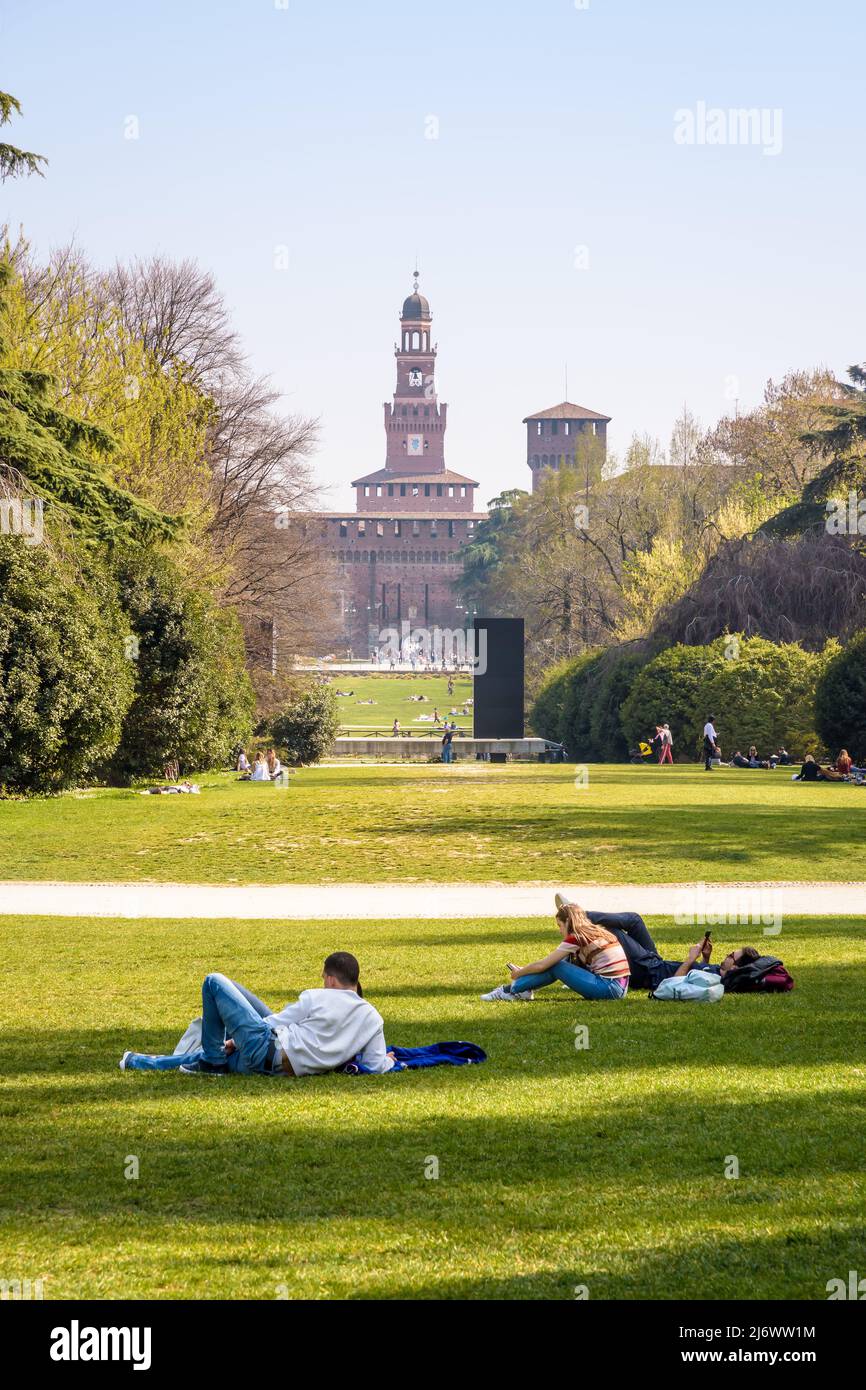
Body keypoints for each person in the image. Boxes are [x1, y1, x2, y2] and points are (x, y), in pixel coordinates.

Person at [120, 953, 396, 1077]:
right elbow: (375, 1065)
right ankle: (144, 1062)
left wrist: (236, 1040)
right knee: (235, 995)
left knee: (214, 981)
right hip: (281, 1062)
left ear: (332, 980)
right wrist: (388, 1060)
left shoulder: (317, 996)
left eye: (324, 977)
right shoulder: (372, 1018)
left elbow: (277, 1021)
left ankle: (212, 1060)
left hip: (268, 1048)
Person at [553, 897, 761, 993]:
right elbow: (701, 972)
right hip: (655, 963)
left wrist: (690, 959)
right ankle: (579, 916)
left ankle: (577, 917)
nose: (727, 955)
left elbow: (675, 984)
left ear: (735, 967)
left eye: (731, 956)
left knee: (612, 933)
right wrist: (705, 958)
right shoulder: (716, 973)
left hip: (648, 972)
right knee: (634, 920)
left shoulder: (716, 983)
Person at [481, 902, 630, 1003]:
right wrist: (525, 971)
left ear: (568, 922)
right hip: (619, 987)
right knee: (561, 963)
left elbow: (543, 965)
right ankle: (522, 990)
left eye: (560, 925)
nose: (559, 930)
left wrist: (519, 973)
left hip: (610, 989)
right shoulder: (595, 932)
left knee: (557, 966)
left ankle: (511, 990)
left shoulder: (576, 937)